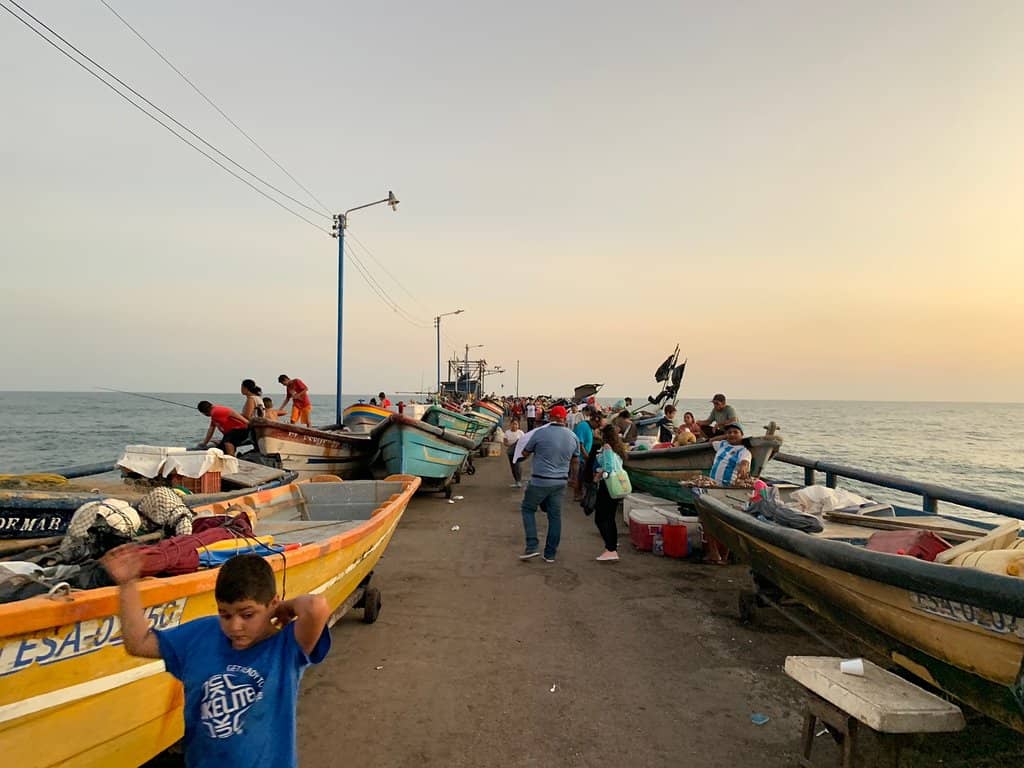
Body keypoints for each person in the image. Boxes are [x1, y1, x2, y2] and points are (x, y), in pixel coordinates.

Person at [101, 548, 330, 768]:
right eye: (225, 615)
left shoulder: (286, 648)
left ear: (272, 603)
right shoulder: (202, 634)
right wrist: (127, 584)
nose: (235, 626)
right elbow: (139, 643)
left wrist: (285, 607)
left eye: (247, 614)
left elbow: (316, 607)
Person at [518, 405, 579, 563]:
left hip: (539, 480)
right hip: (560, 482)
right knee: (555, 516)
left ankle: (532, 546)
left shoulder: (540, 433)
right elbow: (575, 460)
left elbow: (525, 453)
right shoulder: (572, 436)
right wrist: (574, 479)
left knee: (528, 509)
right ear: (564, 419)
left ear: (550, 417)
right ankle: (550, 554)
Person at [593, 424, 627, 562]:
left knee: (600, 518)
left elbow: (608, 467)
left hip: (607, 485)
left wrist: (598, 476)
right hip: (618, 485)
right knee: (610, 517)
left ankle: (610, 548)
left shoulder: (607, 448)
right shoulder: (618, 449)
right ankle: (612, 544)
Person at [573, 409, 602, 501]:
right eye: (598, 425)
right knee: (578, 476)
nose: (597, 427)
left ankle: (580, 493)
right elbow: (580, 443)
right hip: (579, 457)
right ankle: (577, 494)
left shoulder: (588, 427)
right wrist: (585, 455)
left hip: (583, 457)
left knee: (581, 476)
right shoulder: (583, 426)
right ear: (594, 421)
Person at [503, 418, 526, 488]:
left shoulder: (521, 432)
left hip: (518, 452)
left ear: (518, 425)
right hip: (510, 452)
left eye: (516, 424)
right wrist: (512, 445)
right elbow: (505, 443)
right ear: (510, 425)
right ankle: (516, 481)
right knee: (513, 466)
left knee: (517, 465)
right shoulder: (507, 432)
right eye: (513, 424)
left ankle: (519, 481)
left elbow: (524, 442)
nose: (514, 426)